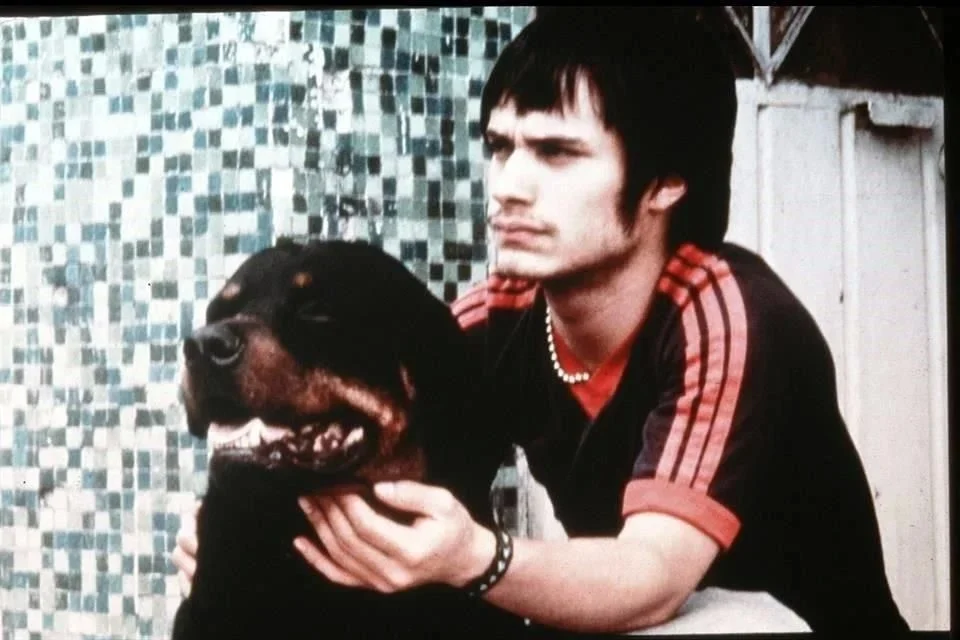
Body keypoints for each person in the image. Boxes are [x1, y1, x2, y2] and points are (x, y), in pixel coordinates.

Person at [173, 8, 910, 634]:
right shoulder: (502, 319)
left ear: (664, 181)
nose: (509, 186)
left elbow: (652, 576)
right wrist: (244, 521)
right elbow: (377, 434)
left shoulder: (722, 314)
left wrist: (476, 557)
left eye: (556, 153)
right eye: (501, 147)